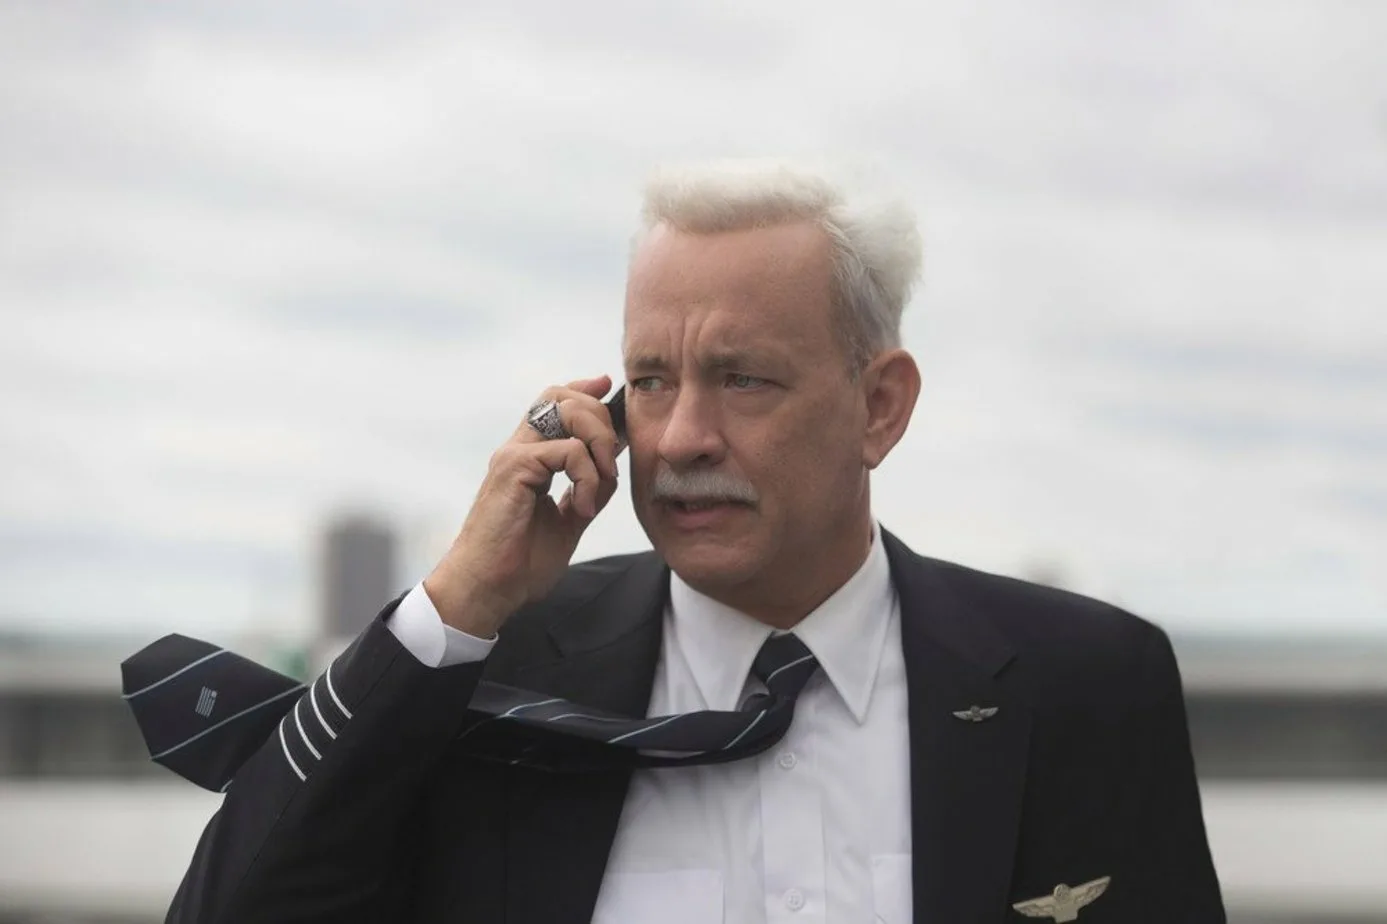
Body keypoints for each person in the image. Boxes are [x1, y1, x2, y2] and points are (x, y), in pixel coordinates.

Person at [162, 160, 1225, 923]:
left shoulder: (1086, 682)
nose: (678, 439)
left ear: (879, 406)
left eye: (742, 378)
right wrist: (455, 610)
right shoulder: (493, 674)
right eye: (652, 380)